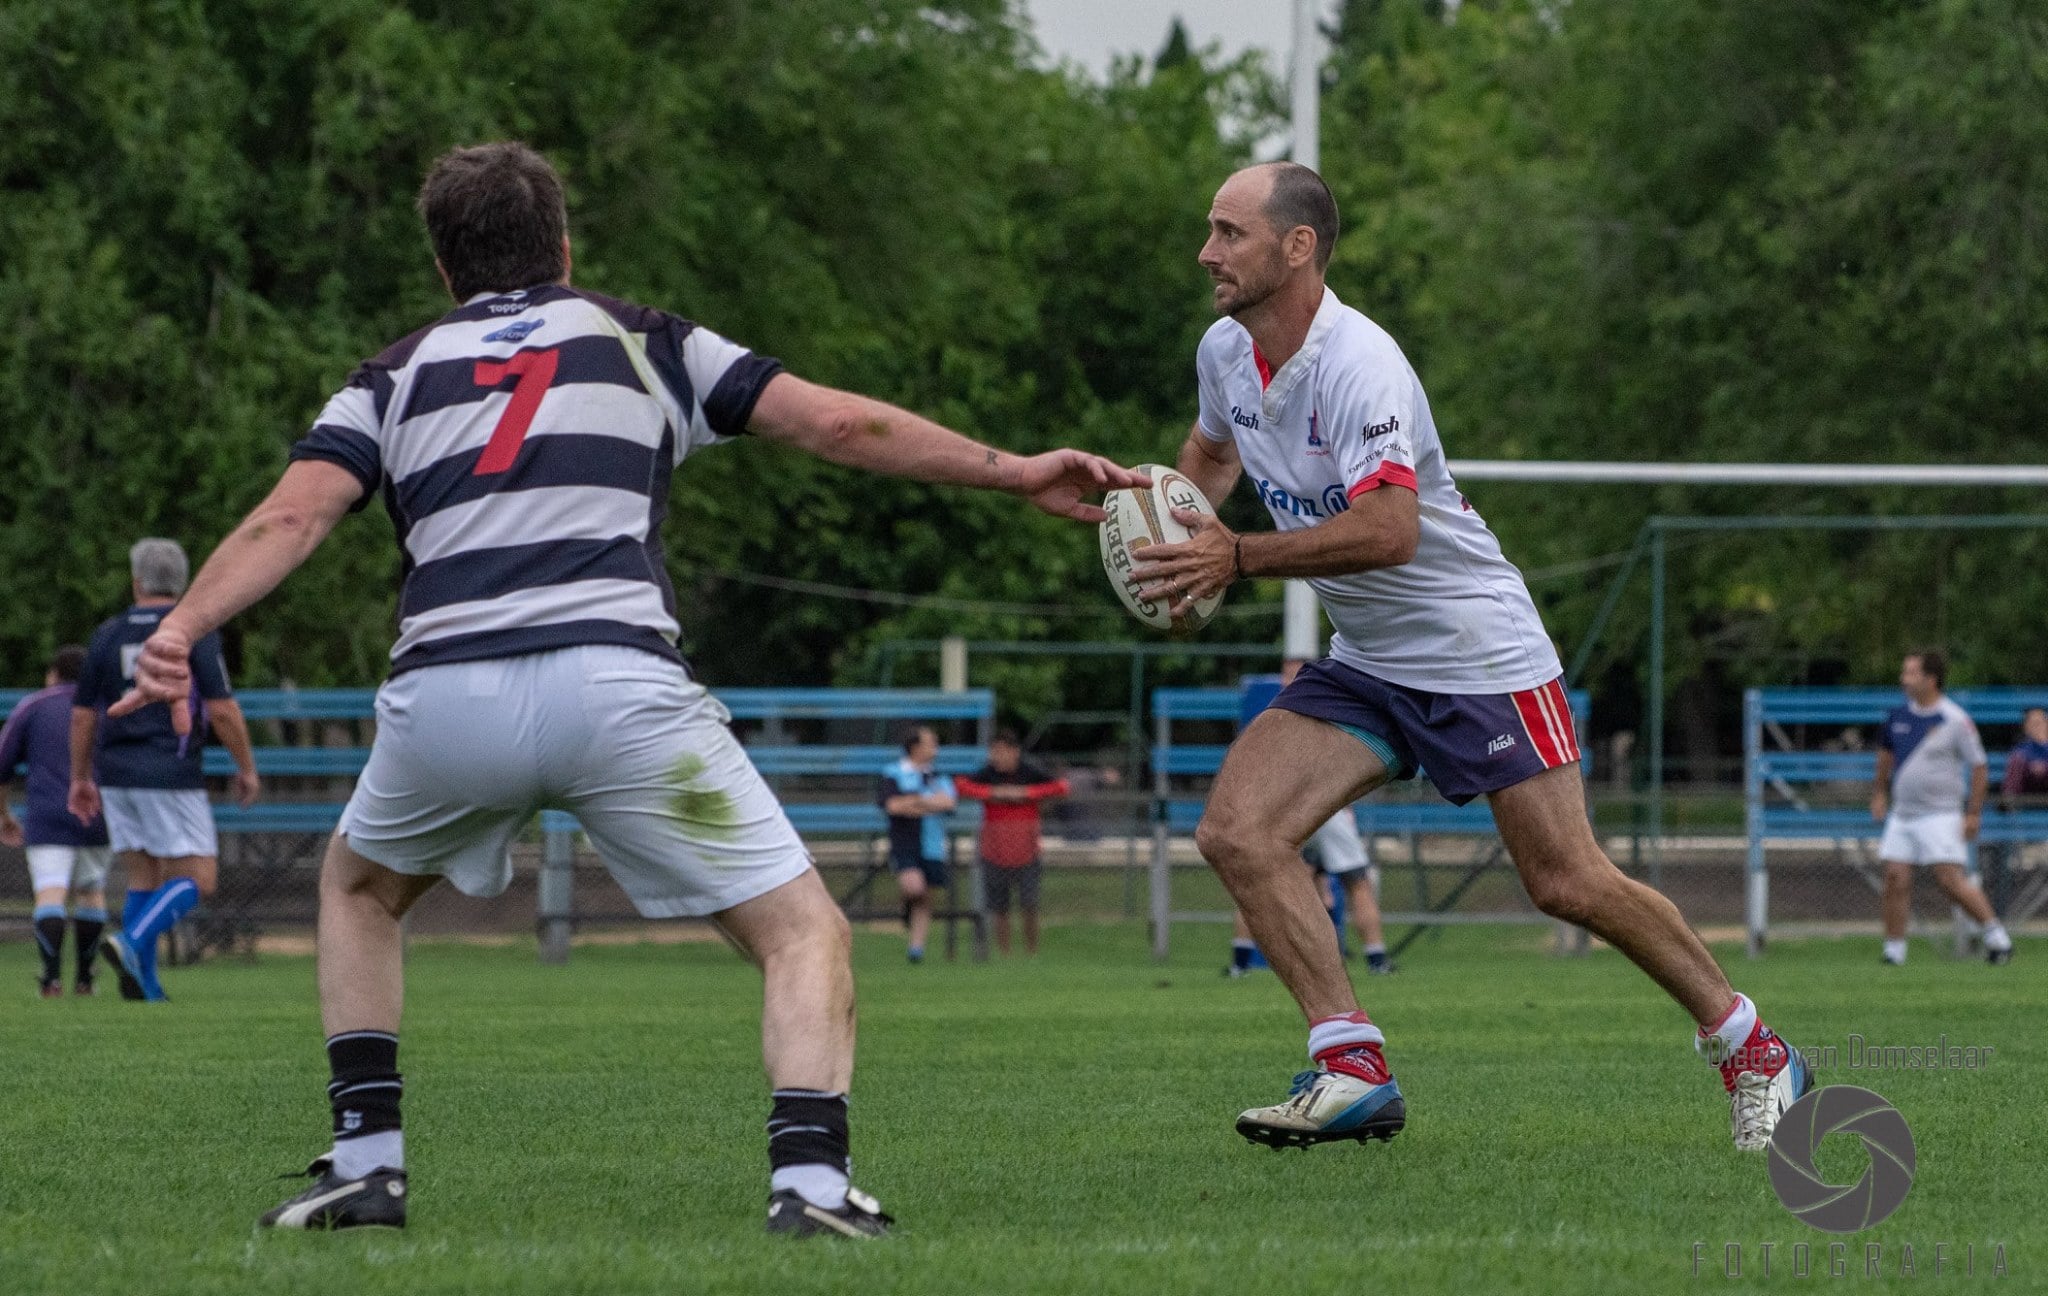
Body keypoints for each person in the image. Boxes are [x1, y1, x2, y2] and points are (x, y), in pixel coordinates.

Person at [106, 141, 1144, 1236]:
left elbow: (292, 515)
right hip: (618, 694)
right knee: (803, 934)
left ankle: (367, 1165)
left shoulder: (394, 374)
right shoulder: (646, 339)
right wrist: (1012, 467)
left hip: (447, 702)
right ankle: (810, 1188)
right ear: (562, 246)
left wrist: (178, 630)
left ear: (445, 270)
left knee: (359, 891)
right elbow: (835, 423)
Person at [1125, 160, 1808, 1154]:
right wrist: (1167, 532)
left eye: (1229, 233)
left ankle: (1754, 1050)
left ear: (1297, 246)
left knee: (1566, 881)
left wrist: (1232, 556)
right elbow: (1212, 454)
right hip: (1368, 658)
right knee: (1237, 831)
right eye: (1210, 230)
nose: (1206, 253)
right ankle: (1350, 1067)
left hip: (1472, 650)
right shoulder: (1226, 352)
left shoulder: (1361, 365)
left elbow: (1390, 529)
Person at [69, 539, 260, 1002]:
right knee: (198, 878)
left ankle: (145, 986)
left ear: (136, 582)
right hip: (169, 770)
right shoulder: (189, 631)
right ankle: (132, 944)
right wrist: (246, 767)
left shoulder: (107, 634)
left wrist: (80, 776)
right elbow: (221, 707)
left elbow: (83, 714)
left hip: (115, 771)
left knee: (143, 876)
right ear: (184, 583)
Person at [1871, 651, 2012, 966]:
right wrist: (1879, 793)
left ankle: (1997, 937)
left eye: (1910, 673)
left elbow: (1978, 765)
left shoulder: (1955, 719)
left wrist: (1973, 812)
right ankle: (1894, 951)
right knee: (1894, 877)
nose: (1903, 679)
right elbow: (1884, 759)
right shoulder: (1897, 717)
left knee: (1950, 880)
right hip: (1903, 813)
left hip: (1941, 812)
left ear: (1930, 679)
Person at [0, 645, 112, 996]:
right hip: (98, 815)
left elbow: (2, 766)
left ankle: (50, 980)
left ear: (53, 673)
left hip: (47, 816)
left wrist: (3, 815)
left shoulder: (33, 706)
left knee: (51, 892)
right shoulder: (106, 707)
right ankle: (85, 980)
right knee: (91, 893)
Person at [955, 730, 1068, 956]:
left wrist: (1027, 793)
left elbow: (1061, 787)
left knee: (1029, 904)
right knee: (1000, 907)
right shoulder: (987, 774)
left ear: (1014, 752)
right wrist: (992, 793)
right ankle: (1005, 953)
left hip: (1026, 849)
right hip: (995, 849)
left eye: (1001, 752)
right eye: (994, 752)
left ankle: (1031, 951)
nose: (996, 757)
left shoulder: (1029, 772)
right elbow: (960, 786)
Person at [880, 724, 957, 964]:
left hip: (932, 844)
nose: (935, 748)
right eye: (930, 743)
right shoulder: (894, 772)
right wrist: (927, 803)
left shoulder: (937, 775)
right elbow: (892, 805)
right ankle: (905, 910)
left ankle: (916, 949)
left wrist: (915, 802)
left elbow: (948, 803)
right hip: (905, 841)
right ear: (915, 747)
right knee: (914, 887)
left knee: (926, 897)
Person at [1990, 706, 2048, 913]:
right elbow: (2009, 794)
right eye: (2032, 723)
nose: (2038, 727)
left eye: (2041, 722)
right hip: (2028, 829)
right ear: (2025, 728)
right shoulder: (2020, 756)